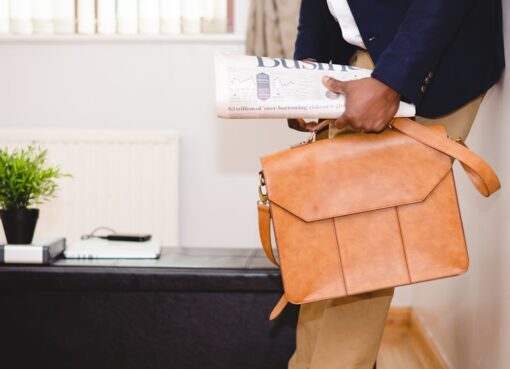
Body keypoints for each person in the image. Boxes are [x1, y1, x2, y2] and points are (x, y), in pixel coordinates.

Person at [287, 1, 505, 369]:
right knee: (327, 240)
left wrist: (392, 82)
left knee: (365, 246)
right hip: (359, 61)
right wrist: (305, 69)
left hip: (426, 63)